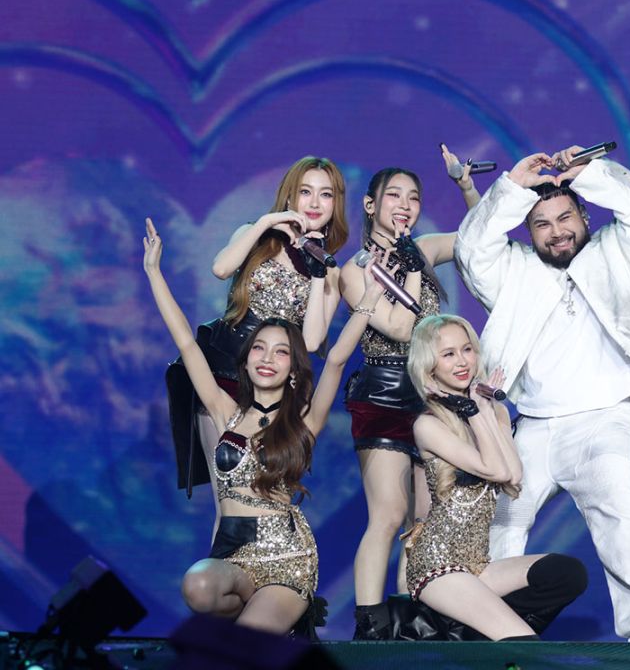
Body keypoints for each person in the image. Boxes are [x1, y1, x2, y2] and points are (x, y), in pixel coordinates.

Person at [454, 146, 630, 642]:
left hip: (606, 416)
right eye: (542, 224)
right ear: (528, 231)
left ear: (585, 214)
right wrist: (512, 188)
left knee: (619, 509)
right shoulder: (515, 271)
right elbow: (471, 250)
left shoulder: (620, 255)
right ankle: (485, 626)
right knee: (497, 520)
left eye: (565, 217)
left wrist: (588, 173)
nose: (557, 231)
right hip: (534, 424)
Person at [144, 217, 385, 634]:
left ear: (293, 368)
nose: (267, 358)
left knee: (242, 648)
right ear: (246, 359)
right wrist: (153, 272)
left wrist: (367, 304)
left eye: (280, 352)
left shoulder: (304, 421)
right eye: (258, 348)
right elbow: (185, 341)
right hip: (232, 554)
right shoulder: (225, 411)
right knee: (198, 585)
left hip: (284, 558)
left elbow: (336, 361)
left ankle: (276, 625)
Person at [340, 150, 480, 639]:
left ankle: (410, 618)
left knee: (426, 518)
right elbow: (401, 328)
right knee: (388, 514)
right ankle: (369, 623)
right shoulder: (355, 270)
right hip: (383, 394)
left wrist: (465, 186)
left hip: (433, 396)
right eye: (394, 196)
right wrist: (413, 265)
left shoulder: (422, 248)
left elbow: (480, 236)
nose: (405, 205)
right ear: (370, 205)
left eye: (414, 197)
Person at [166, 157, 348, 511]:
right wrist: (267, 222)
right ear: (289, 197)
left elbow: (311, 342)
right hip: (224, 375)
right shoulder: (255, 235)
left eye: (325, 194)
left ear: (335, 205)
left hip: (275, 389)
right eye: (305, 192)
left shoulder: (330, 272)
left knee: (269, 497)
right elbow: (221, 268)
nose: (314, 203)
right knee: (228, 500)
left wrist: (317, 272)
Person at [402, 314, 587, 640]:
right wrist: (474, 412)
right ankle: (496, 641)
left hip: (478, 565)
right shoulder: (428, 425)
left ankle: (473, 637)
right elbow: (495, 470)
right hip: (438, 567)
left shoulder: (494, 410)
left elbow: (513, 475)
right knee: (522, 641)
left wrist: (485, 410)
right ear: (430, 367)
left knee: (567, 573)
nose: (462, 361)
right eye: (448, 354)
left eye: (467, 349)